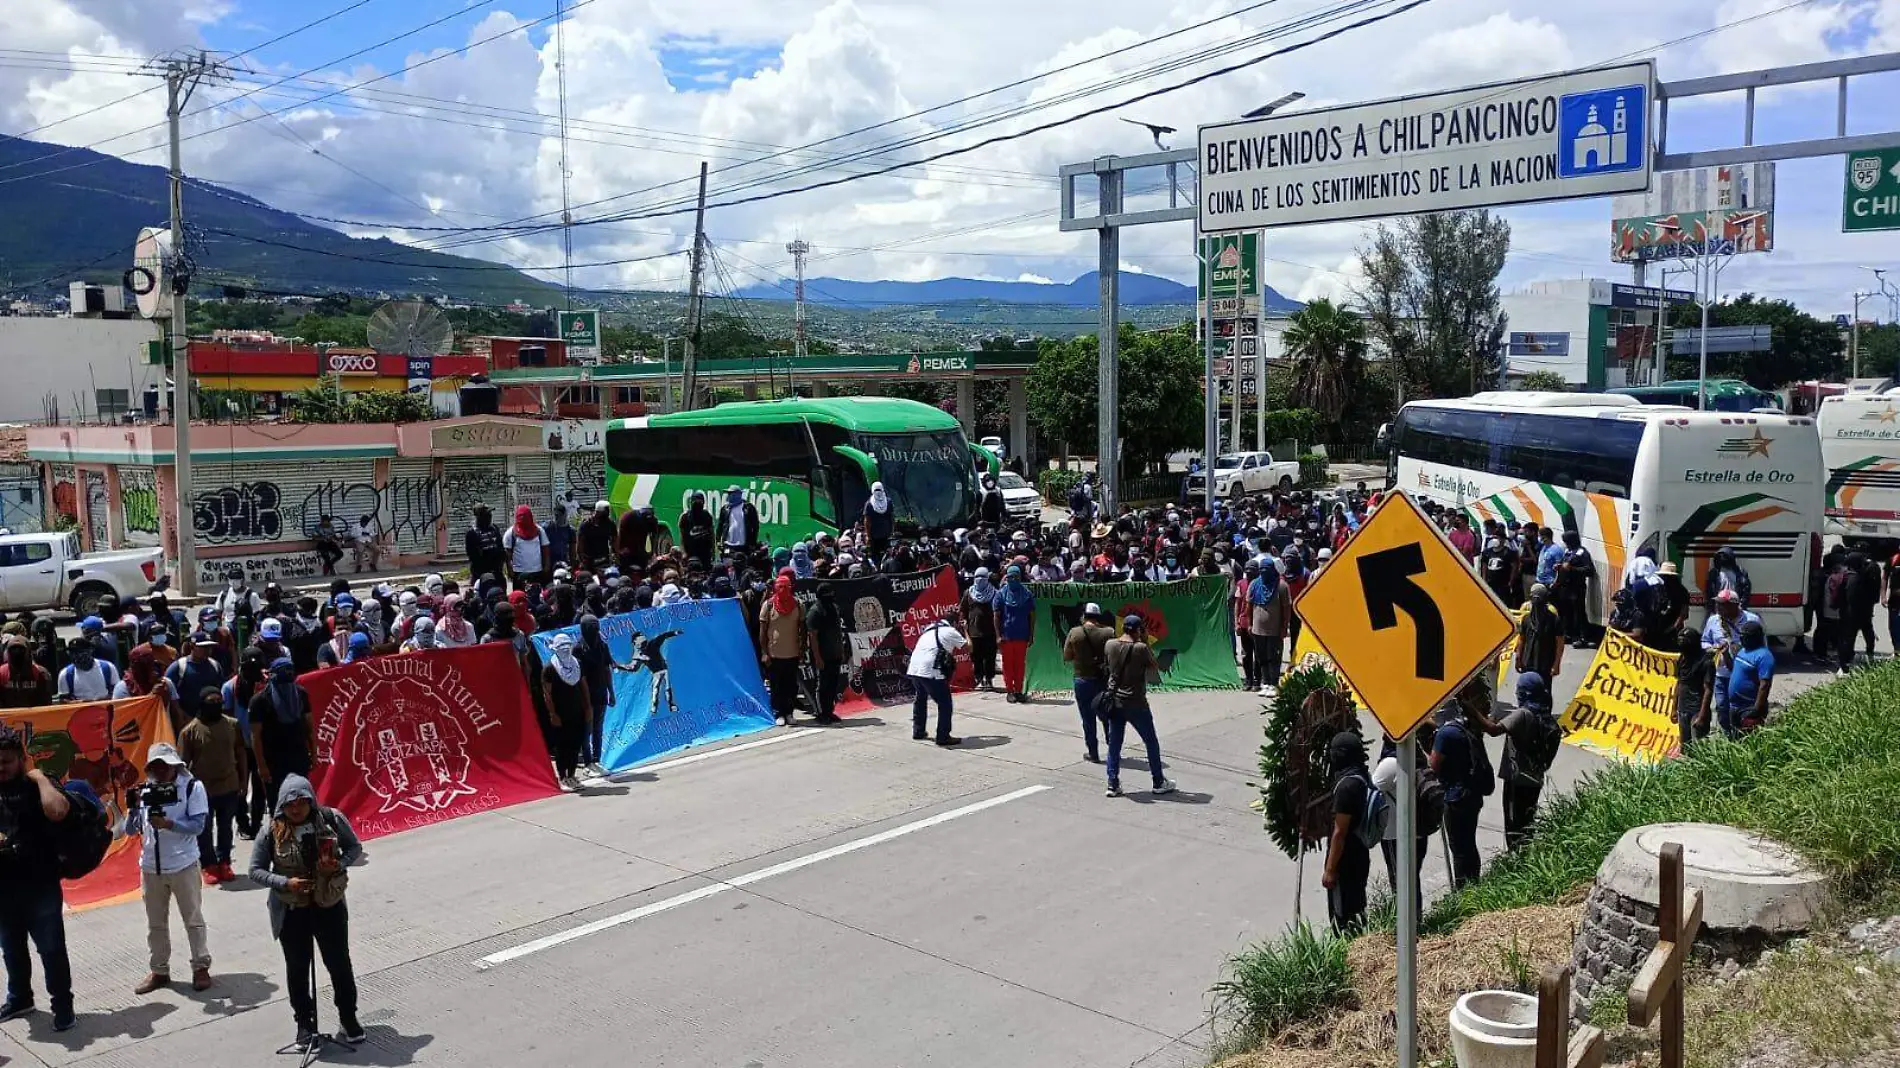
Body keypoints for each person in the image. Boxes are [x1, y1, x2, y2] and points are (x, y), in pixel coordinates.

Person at [248, 774, 365, 1052]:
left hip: (328, 905)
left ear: (311, 800)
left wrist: (338, 865)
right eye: (290, 803)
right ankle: (305, 1025)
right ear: (281, 805)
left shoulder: (331, 820)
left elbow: (354, 847)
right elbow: (255, 870)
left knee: (339, 965)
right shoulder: (271, 831)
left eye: (302, 801)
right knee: (298, 969)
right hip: (291, 910)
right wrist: (285, 883)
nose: (296, 808)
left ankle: (348, 1018)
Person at [0, 725, 75, 1030]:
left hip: (40, 883)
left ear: (20, 758)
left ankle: (63, 1007)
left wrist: (41, 777)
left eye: (5, 761)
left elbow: (59, 811)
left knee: (51, 948)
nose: (0, 767)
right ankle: (20, 998)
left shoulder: (38, 785)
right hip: (4, 886)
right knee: (11, 947)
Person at [124, 743, 213, 995]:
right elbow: (131, 831)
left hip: (184, 864)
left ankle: (200, 967)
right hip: (151, 867)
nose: (161, 771)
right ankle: (159, 971)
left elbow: (198, 826)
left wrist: (169, 824)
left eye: (165, 765)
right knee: (156, 924)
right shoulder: (146, 791)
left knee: (193, 920)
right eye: (156, 766)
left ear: (176, 765)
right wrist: (132, 808)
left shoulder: (193, 787)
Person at [1101, 615, 1175, 799]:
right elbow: (1153, 667)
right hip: (1136, 702)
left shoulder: (1110, 645)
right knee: (1150, 741)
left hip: (1116, 701)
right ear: (1139, 630)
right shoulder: (1141, 648)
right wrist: (1145, 641)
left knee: (1115, 745)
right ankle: (1158, 781)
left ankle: (1113, 783)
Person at [1430, 681, 1495, 888]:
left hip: (1456, 798)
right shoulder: (1465, 725)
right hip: (1473, 793)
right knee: (1469, 843)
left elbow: (1434, 765)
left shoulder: (1445, 734)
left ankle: (1462, 890)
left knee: (1458, 848)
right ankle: (1474, 883)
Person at [1488, 672, 1561, 852]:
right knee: (1527, 823)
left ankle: (1516, 861)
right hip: (1535, 779)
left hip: (1517, 779)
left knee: (1513, 825)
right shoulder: (1545, 715)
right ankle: (1526, 858)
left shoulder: (1523, 714)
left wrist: (1470, 710)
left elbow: (1494, 730)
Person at [1321, 731, 1373, 932]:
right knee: (1357, 907)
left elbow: (1339, 832)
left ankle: (1347, 951)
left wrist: (1330, 870)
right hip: (1360, 854)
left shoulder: (1346, 787)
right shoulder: (1361, 775)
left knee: (1343, 916)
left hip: (1346, 860)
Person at [251, 659, 317, 809]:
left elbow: (309, 727)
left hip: (298, 758)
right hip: (274, 762)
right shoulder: (259, 701)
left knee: (302, 801)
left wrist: (313, 753)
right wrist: (262, 766)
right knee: (278, 804)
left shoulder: (301, 694)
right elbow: (256, 736)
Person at [1700, 590, 1761, 739]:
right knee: (1722, 707)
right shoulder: (1713, 620)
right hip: (1721, 674)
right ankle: (1729, 736)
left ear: (1734, 605)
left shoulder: (1751, 620)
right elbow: (1704, 641)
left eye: (1722, 605)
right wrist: (1713, 649)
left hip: (1743, 675)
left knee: (1742, 709)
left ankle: (1743, 737)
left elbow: (1761, 647)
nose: (1718, 608)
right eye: (1717, 604)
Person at [1061, 603, 1115, 764]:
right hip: (1103, 680)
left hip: (1082, 680)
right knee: (1107, 716)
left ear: (1084, 616)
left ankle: (1093, 753)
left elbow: (1067, 656)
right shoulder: (1109, 632)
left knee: (1088, 718)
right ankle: (1113, 749)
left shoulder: (1075, 632)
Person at [906, 612, 967, 746]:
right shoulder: (951, 631)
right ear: (955, 623)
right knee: (945, 703)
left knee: (920, 698)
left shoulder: (929, 629)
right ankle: (943, 736)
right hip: (931, 671)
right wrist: (966, 630)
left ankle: (918, 731)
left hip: (915, 668)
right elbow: (968, 647)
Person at [758, 569, 809, 726]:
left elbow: (803, 629)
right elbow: (762, 631)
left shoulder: (798, 605)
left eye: (785, 587)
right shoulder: (769, 605)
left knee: (791, 686)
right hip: (774, 655)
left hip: (792, 654)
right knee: (776, 686)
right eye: (780, 587)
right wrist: (764, 652)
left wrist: (802, 650)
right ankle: (779, 713)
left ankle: (789, 712)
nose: (783, 590)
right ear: (775, 588)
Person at [540, 634, 592, 789]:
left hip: (577, 711)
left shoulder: (578, 664)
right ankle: (562, 777)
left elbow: (583, 686)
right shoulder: (549, 668)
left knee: (576, 744)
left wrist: (588, 707)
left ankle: (572, 775)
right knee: (563, 746)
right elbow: (547, 694)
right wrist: (553, 714)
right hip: (561, 713)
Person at [805, 585, 849, 725]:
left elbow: (838, 631)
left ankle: (829, 712)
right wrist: (817, 657)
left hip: (834, 653)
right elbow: (812, 636)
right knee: (822, 686)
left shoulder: (834, 608)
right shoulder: (815, 611)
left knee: (833, 685)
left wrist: (841, 651)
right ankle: (821, 713)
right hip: (822, 656)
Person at [991, 565, 1036, 703]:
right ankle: (1010, 691)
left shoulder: (1027, 594)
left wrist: (1031, 634)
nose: (1013, 580)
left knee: (1020, 665)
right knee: (1008, 665)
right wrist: (998, 635)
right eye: (1010, 577)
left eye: (1016, 577)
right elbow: (996, 616)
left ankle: (1018, 690)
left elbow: (1032, 615)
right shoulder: (1001, 594)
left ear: (1020, 578)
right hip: (1006, 636)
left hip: (1022, 635)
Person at [1248, 558, 1289, 697]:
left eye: (1267, 569)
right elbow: (1249, 604)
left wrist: (1284, 627)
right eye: (1262, 570)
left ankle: (1274, 683)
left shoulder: (1281, 586)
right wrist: (1249, 623)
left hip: (1274, 629)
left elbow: (1286, 608)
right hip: (1258, 629)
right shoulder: (1254, 584)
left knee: (1274, 656)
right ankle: (1265, 682)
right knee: (1261, 656)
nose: (1264, 572)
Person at [1726, 620, 1775, 735]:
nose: (1741, 639)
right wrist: (1725, 654)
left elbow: (1765, 685)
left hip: (1749, 708)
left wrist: (1756, 709)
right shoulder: (1743, 650)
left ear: (1754, 638)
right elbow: (1733, 669)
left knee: (1748, 741)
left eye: (1744, 636)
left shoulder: (1764, 656)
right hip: (1734, 706)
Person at [1514, 584, 1564, 681]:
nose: (1537, 601)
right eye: (1534, 598)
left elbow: (1560, 643)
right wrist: (1518, 657)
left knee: (1544, 693)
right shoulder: (1526, 619)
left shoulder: (1554, 620)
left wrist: (1556, 664)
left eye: (1539, 598)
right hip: (1527, 663)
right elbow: (1521, 639)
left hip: (1545, 666)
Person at [1674, 625, 1713, 747]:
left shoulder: (1706, 662)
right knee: (1685, 746)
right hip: (1683, 709)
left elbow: (1708, 690)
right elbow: (1679, 683)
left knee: (1698, 748)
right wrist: (1673, 708)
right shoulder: (1682, 659)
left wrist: (1702, 715)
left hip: (1697, 711)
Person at [961, 568, 999, 691]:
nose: (980, 580)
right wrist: (964, 622)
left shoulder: (994, 593)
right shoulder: (968, 593)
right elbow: (963, 610)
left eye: (983, 577)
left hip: (990, 631)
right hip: (974, 631)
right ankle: (978, 678)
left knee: (990, 657)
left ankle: (989, 679)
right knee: (976, 657)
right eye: (978, 577)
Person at [55, 637, 120, 701]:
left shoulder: (108, 667)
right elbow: (64, 699)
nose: (77, 656)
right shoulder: (65, 674)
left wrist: (100, 701)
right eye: (73, 653)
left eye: (81, 652)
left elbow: (117, 691)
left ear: (90, 650)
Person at [0, 641, 50, 708]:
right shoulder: (2, 673)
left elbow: (46, 703)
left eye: (21, 649)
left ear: (28, 652)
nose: (17, 652)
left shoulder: (40, 673)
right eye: (13, 649)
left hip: (34, 715)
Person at [464, 506, 506, 586]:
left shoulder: (494, 529)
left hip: (497, 573)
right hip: (481, 575)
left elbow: (501, 548)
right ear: (480, 517)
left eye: (490, 515)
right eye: (487, 515)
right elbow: (474, 557)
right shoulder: (472, 533)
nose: (490, 517)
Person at [720, 487, 761, 560]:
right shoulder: (725, 509)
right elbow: (721, 525)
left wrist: (752, 543)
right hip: (728, 545)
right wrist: (718, 541)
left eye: (731, 493)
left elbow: (755, 526)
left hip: (743, 546)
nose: (729, 496)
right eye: (728, 494)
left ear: (738, 494)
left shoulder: (749, 508)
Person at [861, 482, 896, 562]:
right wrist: (892, 531)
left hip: (874, 536)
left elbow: (867, 521)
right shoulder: (888, 502)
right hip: (886, 534)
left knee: (875, 556)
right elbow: (892, 518)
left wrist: (868, 536)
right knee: (887, 555)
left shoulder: (869, 504)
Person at [678, 492, 715, 567]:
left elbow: (712, 534)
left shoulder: (707, 516)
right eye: (695, 501)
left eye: (700, 501)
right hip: (691, 553)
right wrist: (684, 552)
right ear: (691, 502)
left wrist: (713, 551)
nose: (698, 503)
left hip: (705, 553)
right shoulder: (685, 517)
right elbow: (682, 537)